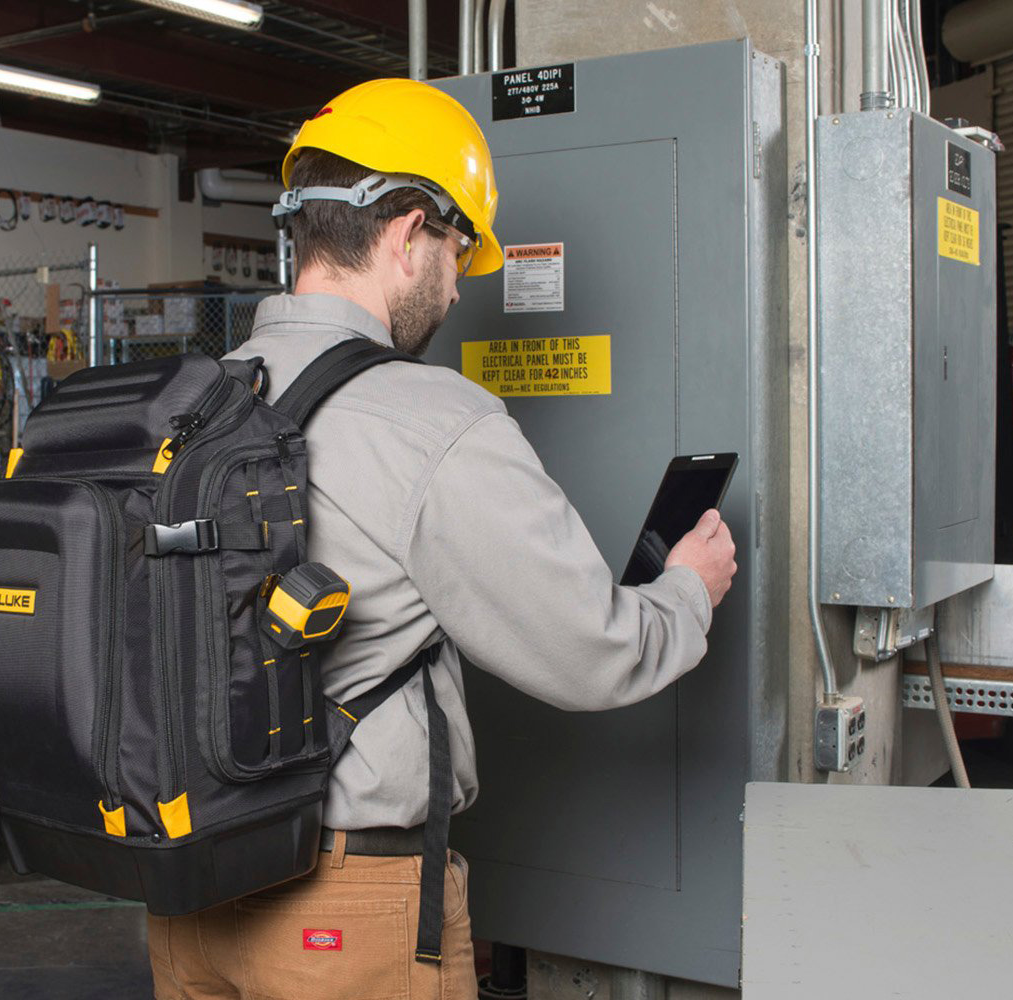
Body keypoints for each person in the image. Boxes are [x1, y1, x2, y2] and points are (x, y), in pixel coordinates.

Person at [145, 80, 738, 1000]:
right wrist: (688, 591)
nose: (462, 284)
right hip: (341, 909)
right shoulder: (433, 419)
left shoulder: (190, 402)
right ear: (408, 231)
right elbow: (592, 650)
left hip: (185, 895)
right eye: (459, 250)